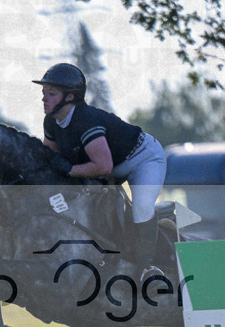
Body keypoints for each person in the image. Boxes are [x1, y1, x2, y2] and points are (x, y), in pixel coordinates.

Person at [33, 63, 167, 281]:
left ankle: (148, 267)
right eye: (44, 93)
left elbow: (103, 166)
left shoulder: (85, 121)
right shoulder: (51, 122)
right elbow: (49, 157)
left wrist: (69, 169)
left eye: (52, 93)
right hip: (111, 165)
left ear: (70, 97)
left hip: (142, 158)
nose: (44, 99)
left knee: (141, 207)